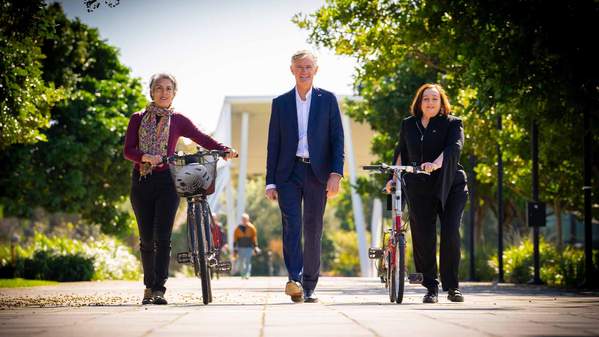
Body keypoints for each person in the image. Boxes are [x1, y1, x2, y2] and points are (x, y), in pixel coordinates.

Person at [124, 73, 237, 305]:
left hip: (168, 181)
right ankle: (148, 286)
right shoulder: (137, 118)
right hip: (142, 181)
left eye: (168, 89)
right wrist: (145, 156)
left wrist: (224, 149)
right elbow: (128, 150)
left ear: (174, 93)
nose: (163, 93)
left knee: (162, 237)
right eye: (159, 88)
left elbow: (201, 137)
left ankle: (159, 289)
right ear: (151, 92)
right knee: (146, 238)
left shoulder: (178, 120)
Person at [265, 50, 344, 303]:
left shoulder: (328, 100)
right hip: (288, 172)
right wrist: (270, 181)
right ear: (292, 70)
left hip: (318, 172)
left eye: (309, 66)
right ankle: (295, 279)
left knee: (313, 228)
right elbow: (273, 144)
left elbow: (337, 139)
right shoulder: (280, 102)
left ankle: (310, 284)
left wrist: (336, 174)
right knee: (291, 224)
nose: (304, 71)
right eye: (300, 67)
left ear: (316, 70)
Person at [386, 83, 468, 303]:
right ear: (419, 102)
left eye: (434, 99)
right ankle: (430, 287)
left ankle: (453, 287)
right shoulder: (408, 125)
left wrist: (435, 164)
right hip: (419, 186)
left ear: (442, 103)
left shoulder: (453, 123)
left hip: (450, 184)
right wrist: (392, 180)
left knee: (450, 233)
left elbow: (454, 149)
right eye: (426, 99)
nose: (430, 102)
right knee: (423, 236)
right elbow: (400, 153)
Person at [233, 213, 259, 279]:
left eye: (245, 219)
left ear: (248, 219)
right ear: (242, 220)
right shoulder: (238, 228)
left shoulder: (252, 227)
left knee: (248, 261)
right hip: (240, 247)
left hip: (249, 247)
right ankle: (242, 274)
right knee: (241, 261)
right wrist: (235, 248)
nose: (244, 220)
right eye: (243, 219)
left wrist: (255, 246)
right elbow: (235, 238)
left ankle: (247, 274)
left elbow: (254, 237)